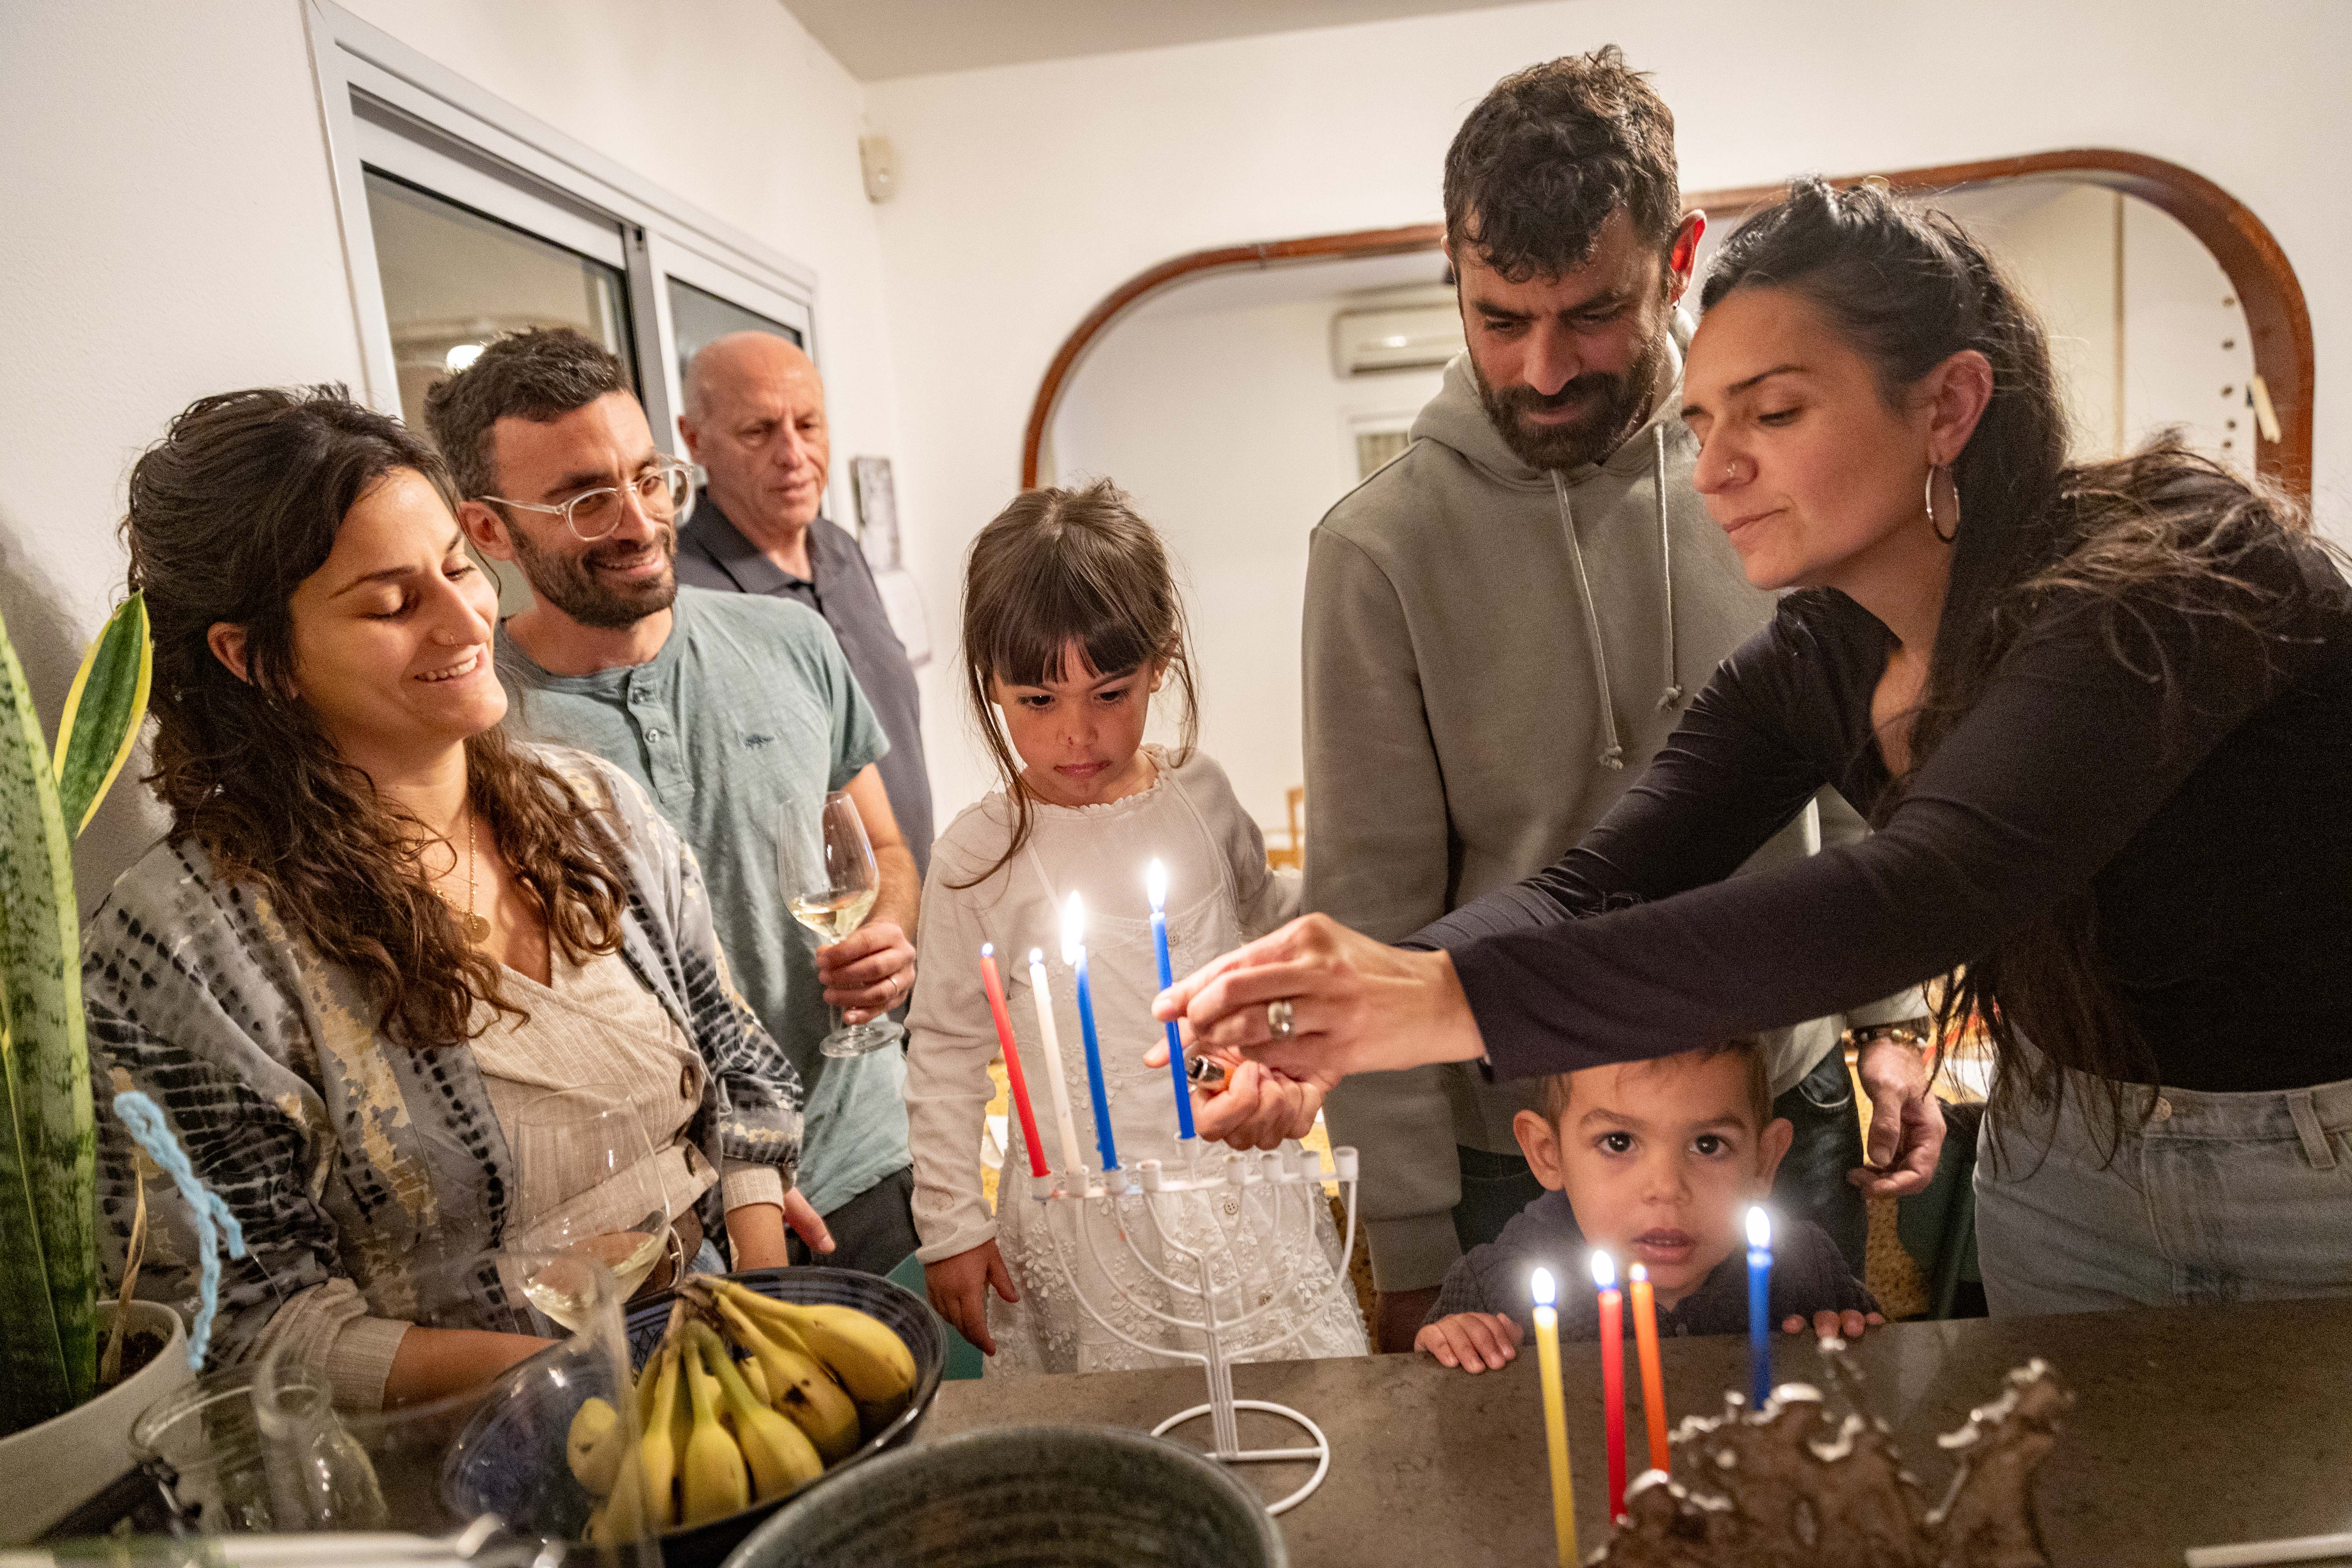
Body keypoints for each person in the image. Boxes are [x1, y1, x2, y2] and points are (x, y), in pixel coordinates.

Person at [1160, 179, 2352, 1316]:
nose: (1717, 470)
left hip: (2309, 1161)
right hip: (2059, 1151)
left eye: (1773, 413)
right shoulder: (1818, 659)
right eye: (1703, 420)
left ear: (1945, 406)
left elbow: (1904, 896)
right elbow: (1594, 883)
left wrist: (1437, 998)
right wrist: (1342, 1010)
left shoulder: (2169, 578)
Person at [1301, 48, 1930, 1349]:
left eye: (1591, 313)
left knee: (1792, 1468)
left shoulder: (1777, 474)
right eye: (1499, 318)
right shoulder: (1377, 549)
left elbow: (1856, 765)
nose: (1540, 370)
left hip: (1773, 1097)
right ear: (1454, 277)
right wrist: (1410, 1236)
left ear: (1681, 255)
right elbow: (1371, 907)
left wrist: (1893, 1018)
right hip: (1525, 1138)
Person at [87, 388, 815, 1410]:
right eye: (391, 603)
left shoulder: (590, 808)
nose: (465, 617)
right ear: (253, 657)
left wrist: (759, 1282)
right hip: (469, 1476)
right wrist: (599, 1383)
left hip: (719, 1368)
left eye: (459, 567)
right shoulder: (187, 953)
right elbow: (253, 1329)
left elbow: (733, 1050)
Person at [426, 328, 924, 1277]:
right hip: (656, 1232)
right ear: (488, 530)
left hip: (868, 1165)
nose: (636, 520)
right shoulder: (473, 727)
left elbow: (886, 851)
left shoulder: (793, 641)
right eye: (582, 499)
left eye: (649, 478)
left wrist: (890, 936)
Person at [905, 481, 1365, 1372]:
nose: (1078, 733)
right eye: (1037, 701)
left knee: (1284, 1401)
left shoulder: (1201, 801)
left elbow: (1273, 941)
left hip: (1230, 1182)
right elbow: (945, 1052)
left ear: (1161, 662)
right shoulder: (977, 855)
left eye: (1109, 692)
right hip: (1083, 1220)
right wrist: (950, 1224)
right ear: (990, 685)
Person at [1416, 1040, 1880, 1374]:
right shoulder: (1497, 1288)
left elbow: (1875, 1363)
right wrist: (1453, 1341)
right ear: (1547, 1153)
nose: (1666, 1188)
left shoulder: (1806, 1270)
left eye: (1708, 1143)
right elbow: (1437, 1403)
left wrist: (1851, 1337)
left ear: (1765, 1159)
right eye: (1618, 1142)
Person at [675, 332, 934, 878]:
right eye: (758, 431)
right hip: (822, 940)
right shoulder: (681, 596)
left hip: (912, 903)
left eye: (809, 426)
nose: (793, 456)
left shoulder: (840, 547)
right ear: (694, 441)